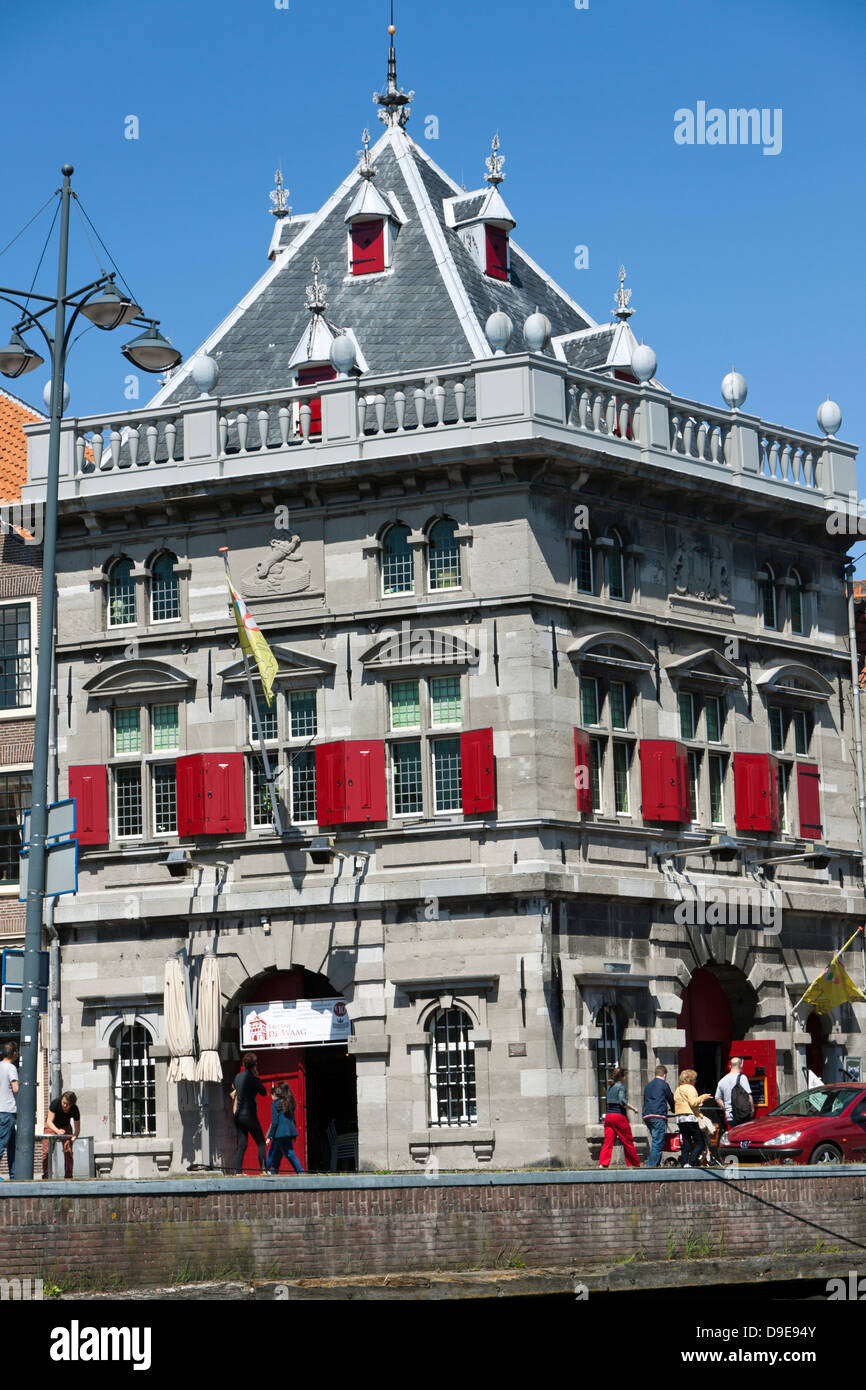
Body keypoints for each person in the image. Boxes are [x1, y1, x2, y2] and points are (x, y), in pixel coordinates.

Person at [598, 1066, 641, 1169]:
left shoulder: (610, 1087)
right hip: (618, 1116)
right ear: (621, 1077)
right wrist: (634, 1108)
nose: (625, 1078)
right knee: (628, 1140)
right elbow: (622, 1101)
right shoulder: (621, 1086)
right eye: (624, 1076)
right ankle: (634, 1163)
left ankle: (603, 1163)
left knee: (608, 1142)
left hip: (608, 1117)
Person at [232, 1052, 267, 1174]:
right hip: (249, 1114)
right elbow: (263, 1092)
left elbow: (234, 1086)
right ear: (254, 1065)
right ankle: (263, 1170)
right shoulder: (252, 1078)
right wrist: (257, 1078)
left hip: (238, 1115)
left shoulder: (238, 1077)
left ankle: (238, 1172)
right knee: (261, 1142)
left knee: (242, 1144)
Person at [674, 1069, 712, 1167]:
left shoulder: (678, 1089)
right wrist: (703, 1097)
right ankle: (692, 1161)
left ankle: (684, 1163)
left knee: (686, 1142)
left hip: (680, 1119)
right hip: (690, 1118)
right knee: (700, 1143)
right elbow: (693, 1102)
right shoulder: (690, 1088)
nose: (695, 1081)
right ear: (690, 1079)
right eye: (694, 1079)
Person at [642, 1064, 676, 1168]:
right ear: (665, 1075)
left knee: (657, 1140)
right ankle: (651, 1167)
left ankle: (656, 1164)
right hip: (658, 1115)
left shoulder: (648, 1085)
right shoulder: (664, 1084)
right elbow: (670, 1098)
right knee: (658, 1142)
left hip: (647, 1116)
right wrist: (674, 1109)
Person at [265, 1083, 304, 1175]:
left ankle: (265, 1170)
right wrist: (293, 1133)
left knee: (272, 1152)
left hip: (279, 1133)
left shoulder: (275, 1104)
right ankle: (299, 1171)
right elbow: (292, 1119)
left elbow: (274, 1122)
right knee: (286, 1152)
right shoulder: (289, 1103)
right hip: (288, 1133)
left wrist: (269, 1136)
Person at [42, 1092, 81, 1179]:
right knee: (47, 1151)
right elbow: (49, 1121)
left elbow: (77, 1129)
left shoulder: (75, 1109)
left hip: (65, 1127)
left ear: (71, 1104)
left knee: (68, 1151)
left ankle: (68, 1176)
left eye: (67, 1104)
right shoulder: (55, 1103)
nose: (64, 1105)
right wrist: (57, 1131)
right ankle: (46, 1175)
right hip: (52, 1126)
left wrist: (74, 1137)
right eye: (63, 1102)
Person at [715, 1056, 755, 1129]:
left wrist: (725, 1108)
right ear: (741, 1065)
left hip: (730, 1115)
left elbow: (717, 1098)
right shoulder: (742, 1077)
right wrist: (752, 1109)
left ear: (730, 1066)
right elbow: (749, 1095)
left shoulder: (722, 1080)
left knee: (735, 1136)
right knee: (744, 1136)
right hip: (743, 1114)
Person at [0, 1042, 18, 1179]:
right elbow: (16, 1088)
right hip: (7, 1110)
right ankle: (13, 1175)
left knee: (13, 1144)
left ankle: (14, 1175)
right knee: (2, 1144)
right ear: (14, 1053)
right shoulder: (11, 1067)